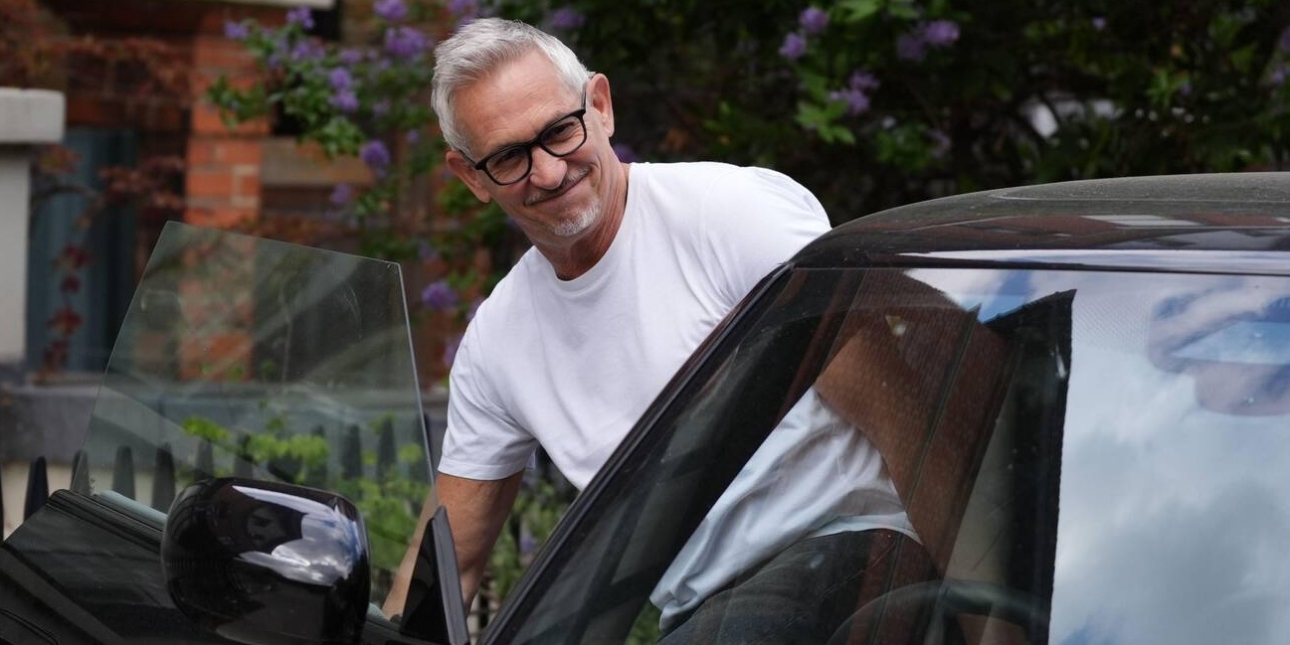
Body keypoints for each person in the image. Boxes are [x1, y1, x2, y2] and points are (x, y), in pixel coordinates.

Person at [382, 17, 918, 639]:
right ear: (471, 176)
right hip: (704, 617)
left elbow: (912, 421)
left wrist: (990, 615)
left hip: (856, 558)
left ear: (601, 107)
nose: (549, 173)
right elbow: (450, 560)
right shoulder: (498, 341)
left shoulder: (730, 217)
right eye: (508, 157)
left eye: (560, 130)